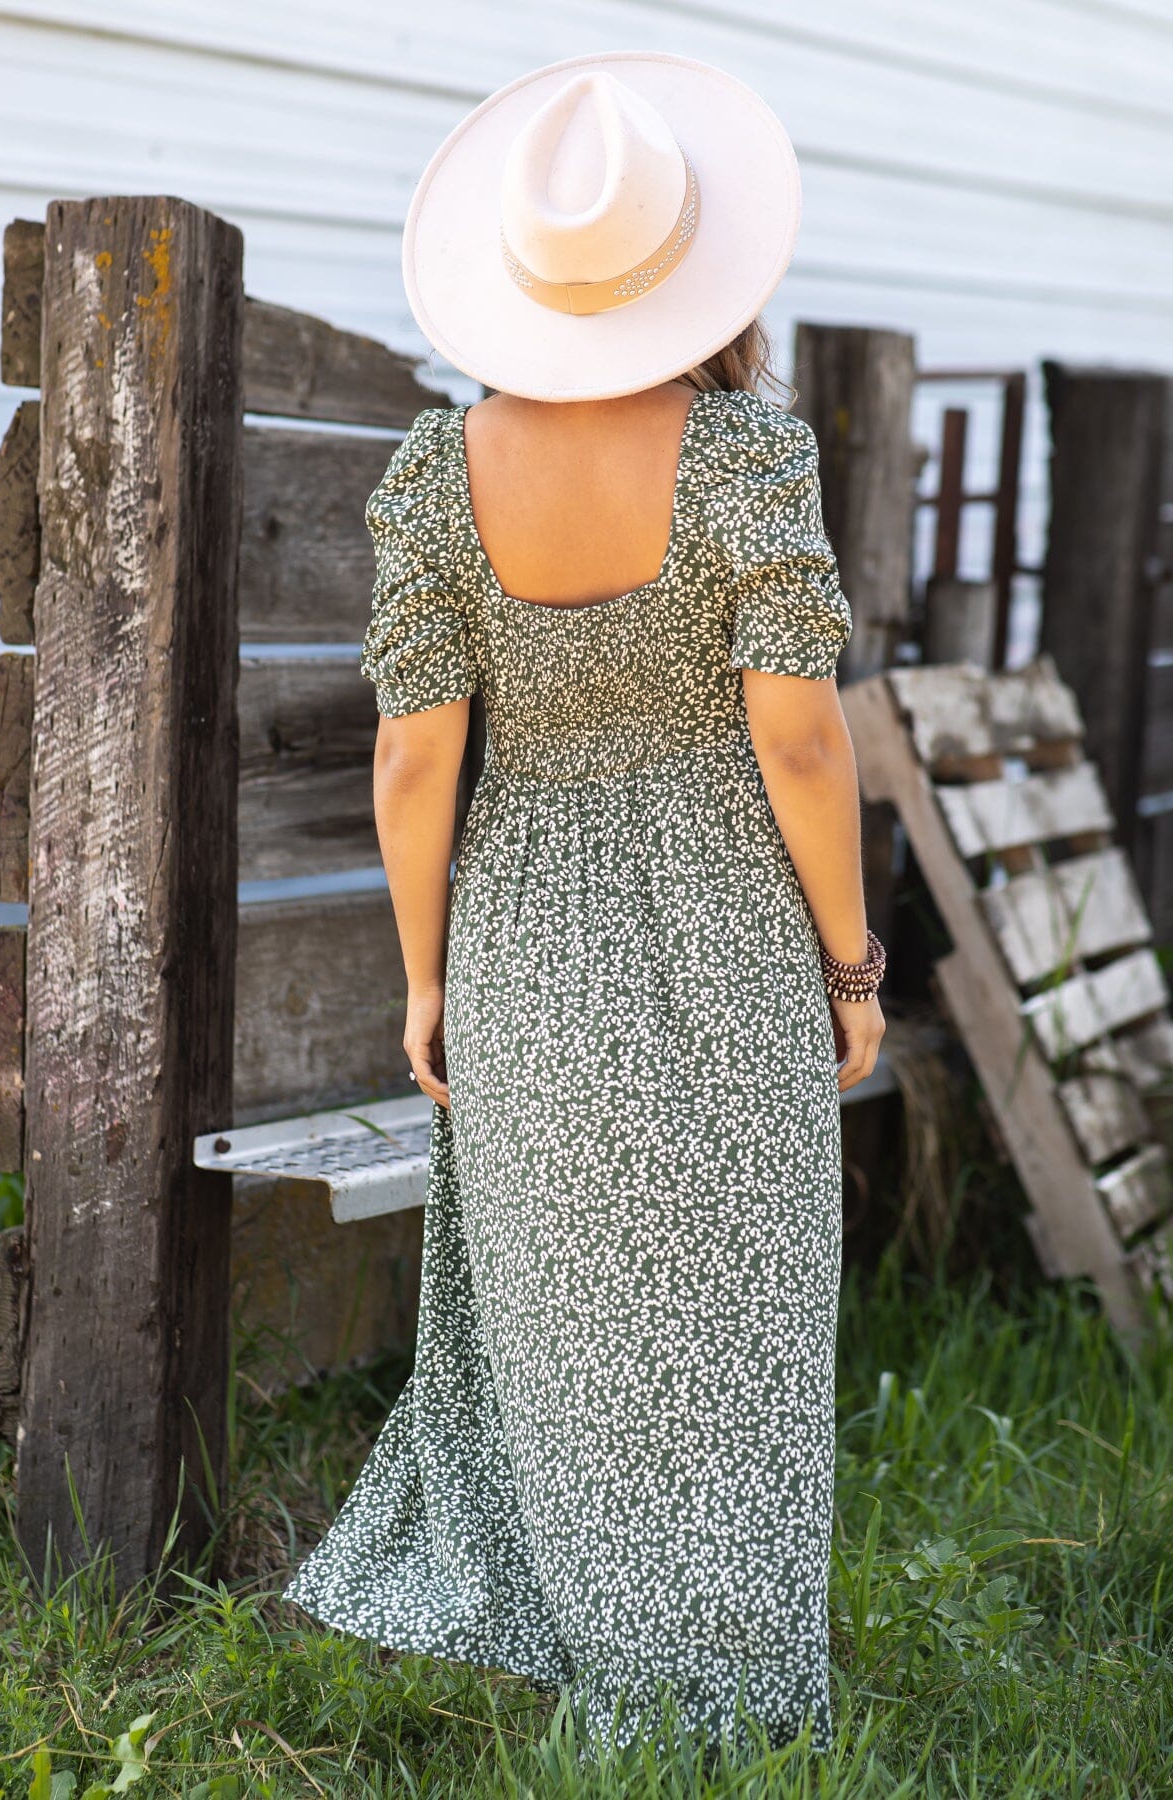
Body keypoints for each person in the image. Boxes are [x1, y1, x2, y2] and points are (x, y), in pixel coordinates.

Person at [283, 49, 886, 1763]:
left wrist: (425, 980)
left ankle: (610, 1664)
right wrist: (852, 966)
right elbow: (800, 739)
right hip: (723, 915)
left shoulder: (435, 473)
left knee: (570, 1313)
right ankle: (728, 1693)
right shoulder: (748, 461)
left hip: (525, 925)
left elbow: (415, 756)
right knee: (735, 1305)